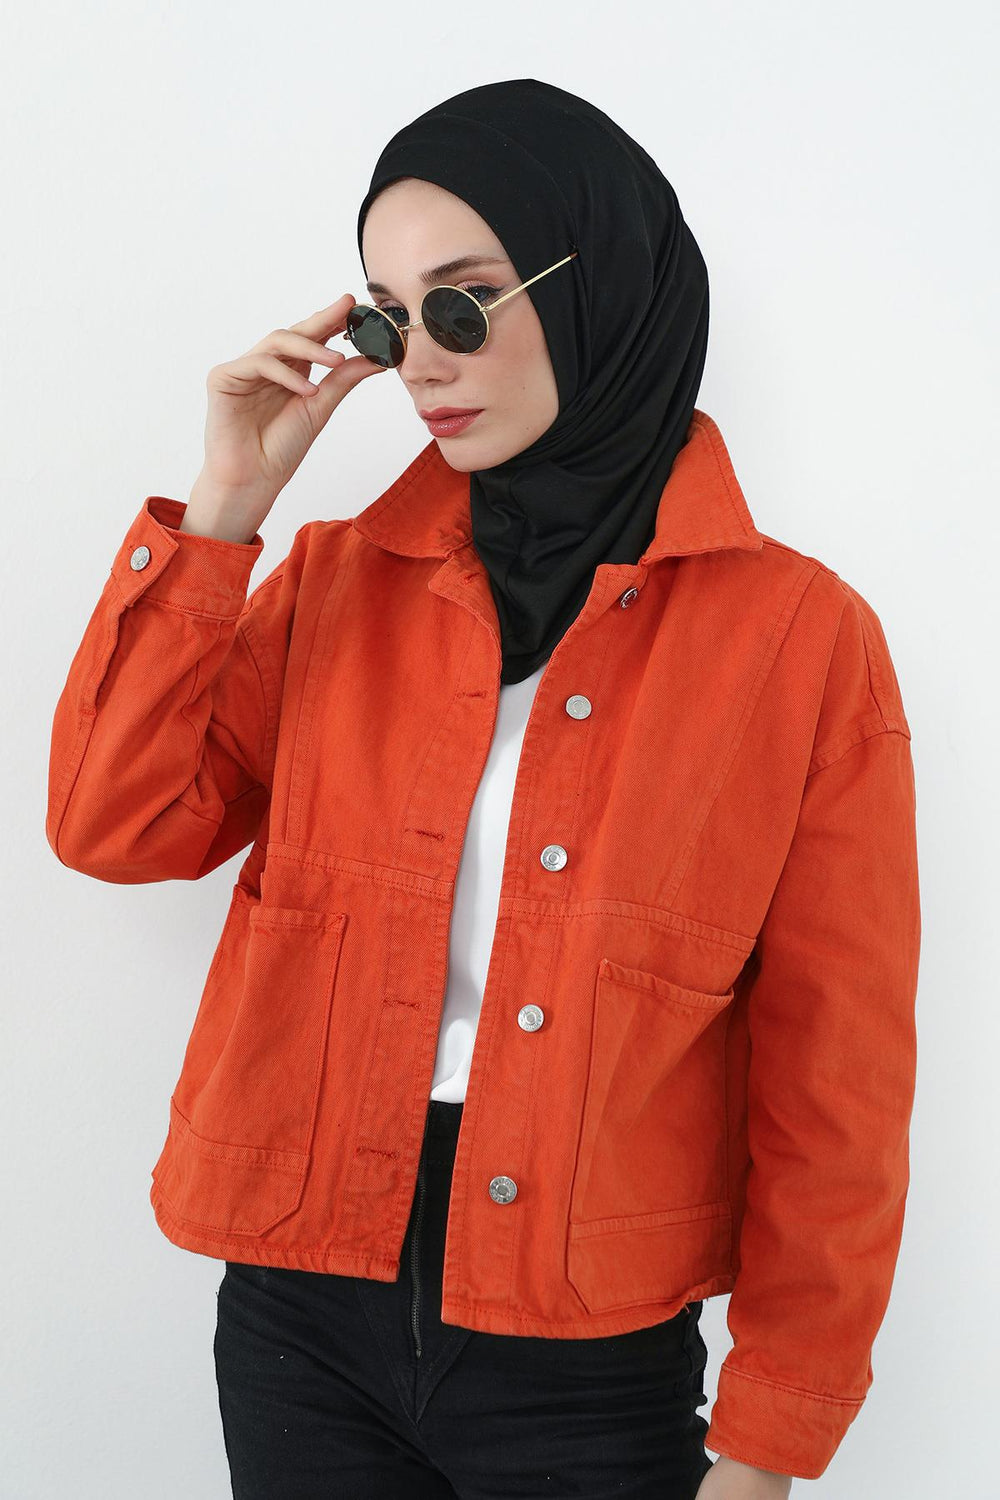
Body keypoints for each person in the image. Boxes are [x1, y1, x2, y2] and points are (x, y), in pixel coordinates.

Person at [46, 79, 921, 1499]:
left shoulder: (801, 643)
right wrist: (225, 514)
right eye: (389, 320)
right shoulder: (335, 582)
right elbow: (116, 826)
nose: (420, 364)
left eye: (462, 303)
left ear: (602, 284)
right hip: (299, 1312)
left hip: (584, 1348)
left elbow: (840, 1076)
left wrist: (772, 1439)